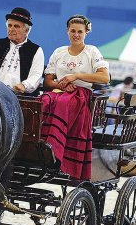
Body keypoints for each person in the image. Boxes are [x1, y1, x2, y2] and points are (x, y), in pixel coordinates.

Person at [40, 14, 109, 180]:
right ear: (67, 31)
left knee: (64, 103)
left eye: (80, 31)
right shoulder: (59, 52)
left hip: (81, 93)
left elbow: (105, 77)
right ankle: (41, 146)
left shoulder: (92, 52)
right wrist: (61, 84)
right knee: (43, 101)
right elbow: (48, 81)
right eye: (72, 31)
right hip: (59, 90)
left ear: (86, 32)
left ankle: (56, 148)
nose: (76, 34)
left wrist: (76, 76)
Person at [0, 7, 44, 94]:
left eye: (16, 26)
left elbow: (36, 75)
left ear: (26, 30)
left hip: (20, 97)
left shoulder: (36, 50)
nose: (11, 29)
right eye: (9, 25)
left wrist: (24, 85)